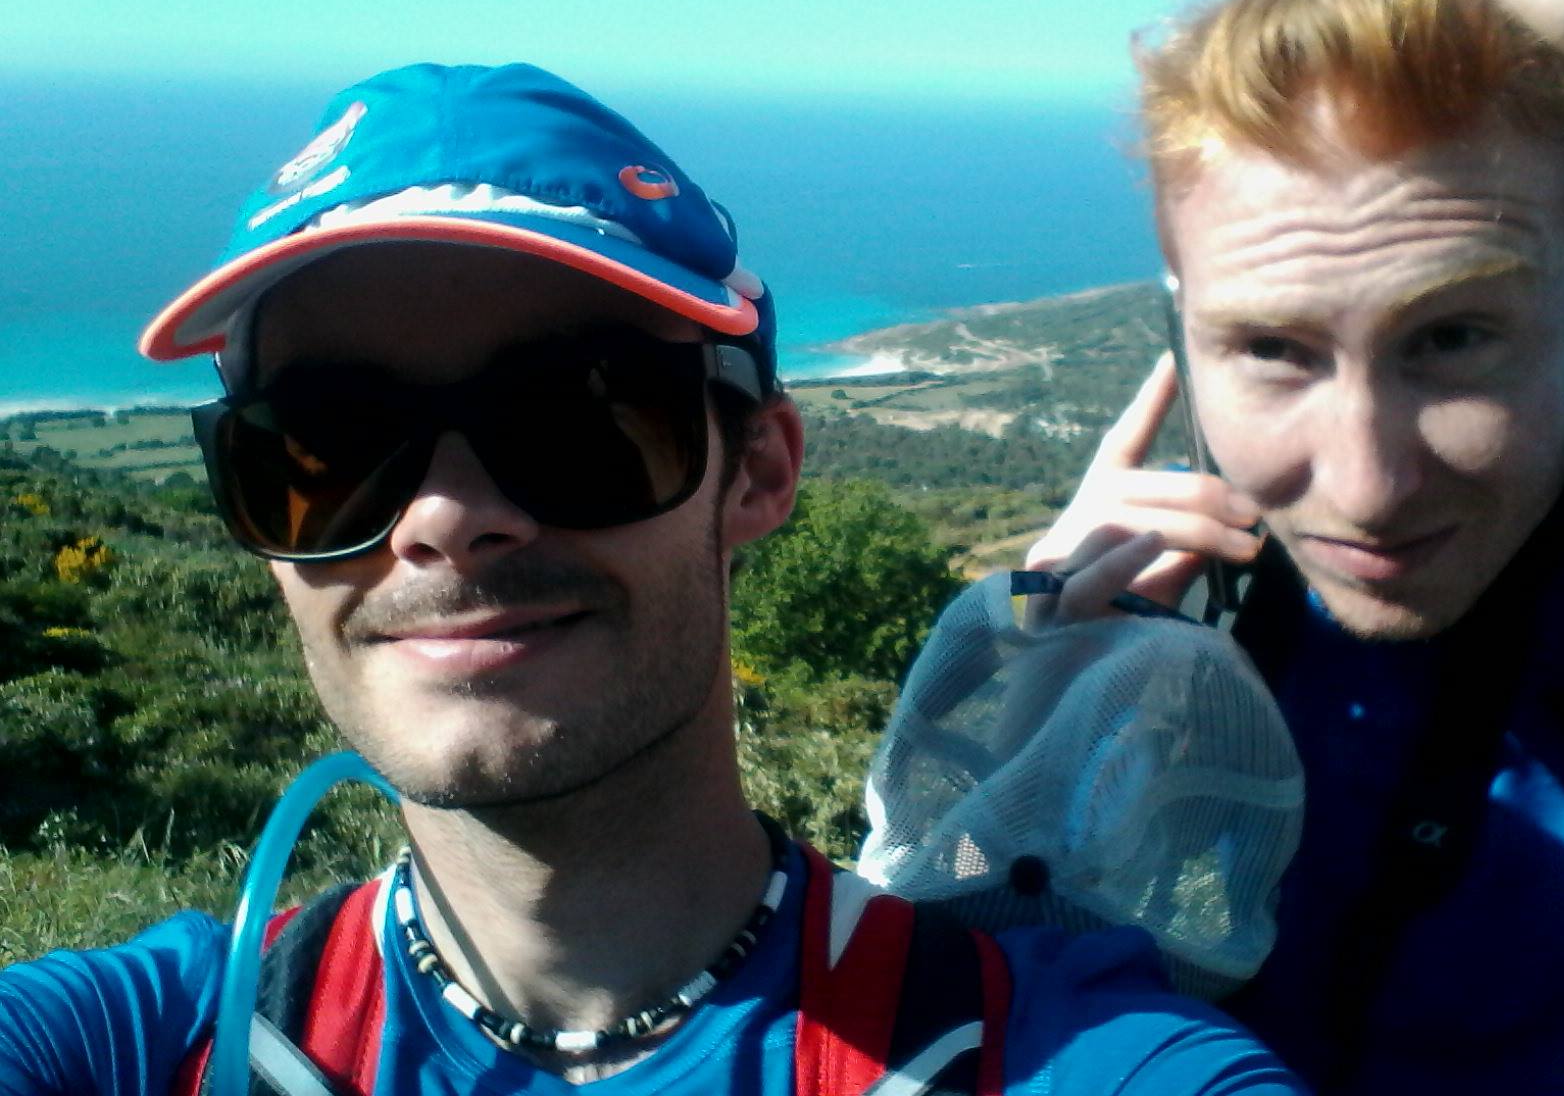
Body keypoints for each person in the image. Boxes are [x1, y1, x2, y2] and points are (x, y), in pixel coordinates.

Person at [0, 63, 1304, 1095]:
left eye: (575, 419)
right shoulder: (153, 1044)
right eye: (323, 445)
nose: (444, 519)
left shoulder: (1041, 1055)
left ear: (759, 472)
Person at [1025, 0, 1564, 1091]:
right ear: (1176, 332)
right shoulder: (1137, 608)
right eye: (1272, 351)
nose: (1364, 486)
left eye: (1450, 338)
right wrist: (1031, 699)